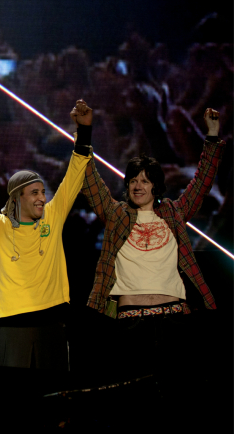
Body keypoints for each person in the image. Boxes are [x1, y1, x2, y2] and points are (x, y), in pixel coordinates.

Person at [0, 102, 93, 369]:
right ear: (16, 198)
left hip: (53, 323)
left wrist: (84, 131)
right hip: (11, 326)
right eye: (34, 193)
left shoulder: (52, 216)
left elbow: (74, 175)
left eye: (43, 192)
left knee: (56, 393)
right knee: (12, 393)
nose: (42, 198)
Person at [78, 102, 224, 376]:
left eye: (145, 181)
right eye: (133, 180)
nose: (138, 186)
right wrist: (84, 133)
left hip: (173, 321)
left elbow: (202, 183)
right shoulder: (117, 214)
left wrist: (213, 136)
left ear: (156, 186)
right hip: (130, 325)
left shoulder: (173, 212)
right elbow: (90, 182)